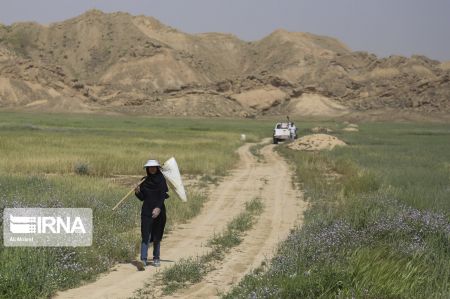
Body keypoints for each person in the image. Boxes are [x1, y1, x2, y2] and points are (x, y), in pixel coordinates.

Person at [135, 159, 169, 269]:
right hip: (146, 210)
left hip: (159, 211)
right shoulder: (144, 181)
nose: (152, 169)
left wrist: (158, 208)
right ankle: (143, 260)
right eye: (150, 167)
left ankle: (156, 258)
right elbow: (142, 198)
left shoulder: (161, 180)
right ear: (148, 169)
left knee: (156, 235)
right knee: (145, 234)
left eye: (154, 167)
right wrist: (137, 192)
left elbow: (162, 195)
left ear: (157, 168)